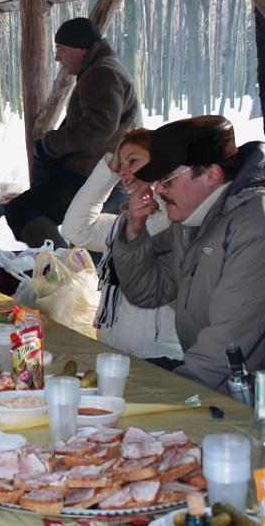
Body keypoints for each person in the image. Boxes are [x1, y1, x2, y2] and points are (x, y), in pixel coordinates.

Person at [111, 115, 265, 391]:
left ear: (210, 175)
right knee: (111, 375)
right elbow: (149, 292)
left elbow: (229, 348)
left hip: (247, 394)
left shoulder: (254, 228)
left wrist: (176, 400)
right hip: (212, 373)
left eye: (167, 179)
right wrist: (134, 232)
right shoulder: (192, 222)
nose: (158, 190)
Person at [6, 17, 140, 248]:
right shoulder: (103, 69)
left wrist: (51, 144)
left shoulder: (102, 73)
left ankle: (64, 266)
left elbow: (100, 123)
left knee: (22, 209)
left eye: (61, 49)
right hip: (104, 173)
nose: (58, 57)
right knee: (92, 248)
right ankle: (72, 269)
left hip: (93, 175)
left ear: (81, 48)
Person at [61, 129, 182, 366]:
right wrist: (109, 170)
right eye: (122, 164)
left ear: (159, 162)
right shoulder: (121, 226)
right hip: (116, 349)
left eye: (134, 161)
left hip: (161, 357)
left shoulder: (174, 220)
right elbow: (75, 229)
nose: (125, 170)